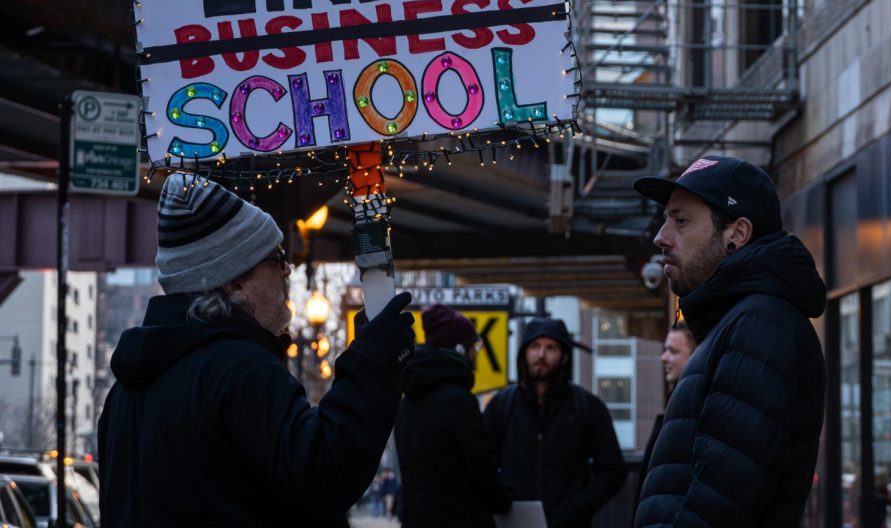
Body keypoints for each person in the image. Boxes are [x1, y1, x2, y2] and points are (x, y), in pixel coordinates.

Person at [98, 173, 416, 527]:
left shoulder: (124, 392)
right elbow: (320, 477)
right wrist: (373, 361)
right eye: (275, 257)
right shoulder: (241, 370)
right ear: (234, 282)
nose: (287, 270)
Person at [632, 155, 827, 527]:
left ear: (736, 234)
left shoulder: (761, 326)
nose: (661, 237)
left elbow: (718, 506)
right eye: (666, 219)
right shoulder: (739, 321)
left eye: (681, 221)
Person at [483, 317, 625, 528]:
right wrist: (502, 501)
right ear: (524, 353)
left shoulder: (587, 407)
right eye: (535, 346)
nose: (541, 355)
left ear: (564, 356)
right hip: (514, 521)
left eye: (551, 347)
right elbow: (482, 465)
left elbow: (613, 471)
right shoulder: (501, 406)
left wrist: (579, 507)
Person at [393, 304, 512, 527]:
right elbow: (480, 466)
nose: (474, 354)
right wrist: (503, 501)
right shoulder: (458, 401)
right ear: (458, 349)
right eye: (472, 347)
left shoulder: (408, 400)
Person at [633, 321, 696, 521]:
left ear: (695, 356)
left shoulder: (691, 412)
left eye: (673, 351)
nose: (663, 357)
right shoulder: (674, 410)